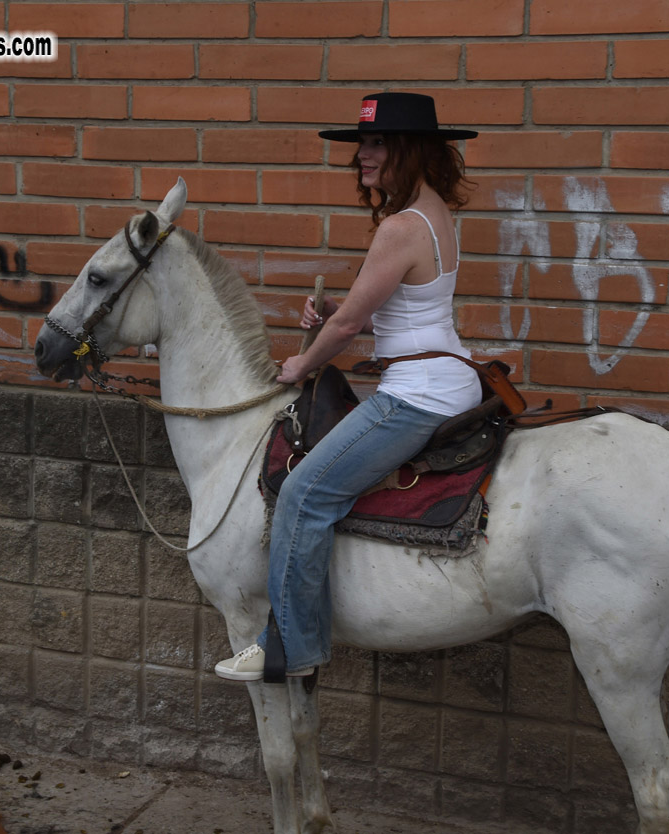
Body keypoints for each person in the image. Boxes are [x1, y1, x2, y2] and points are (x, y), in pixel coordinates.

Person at [215, 92, 482, 682]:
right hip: (445, 377)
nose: (362, 155)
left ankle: (292, 648)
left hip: (417, 394)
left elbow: (348, 326)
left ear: (409, 150)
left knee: (304, 495)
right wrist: (342, 311)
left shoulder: (399, 226)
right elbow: (403, 309)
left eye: (377, 143)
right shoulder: (432, 214)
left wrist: (301, 364)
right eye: (363, 142)